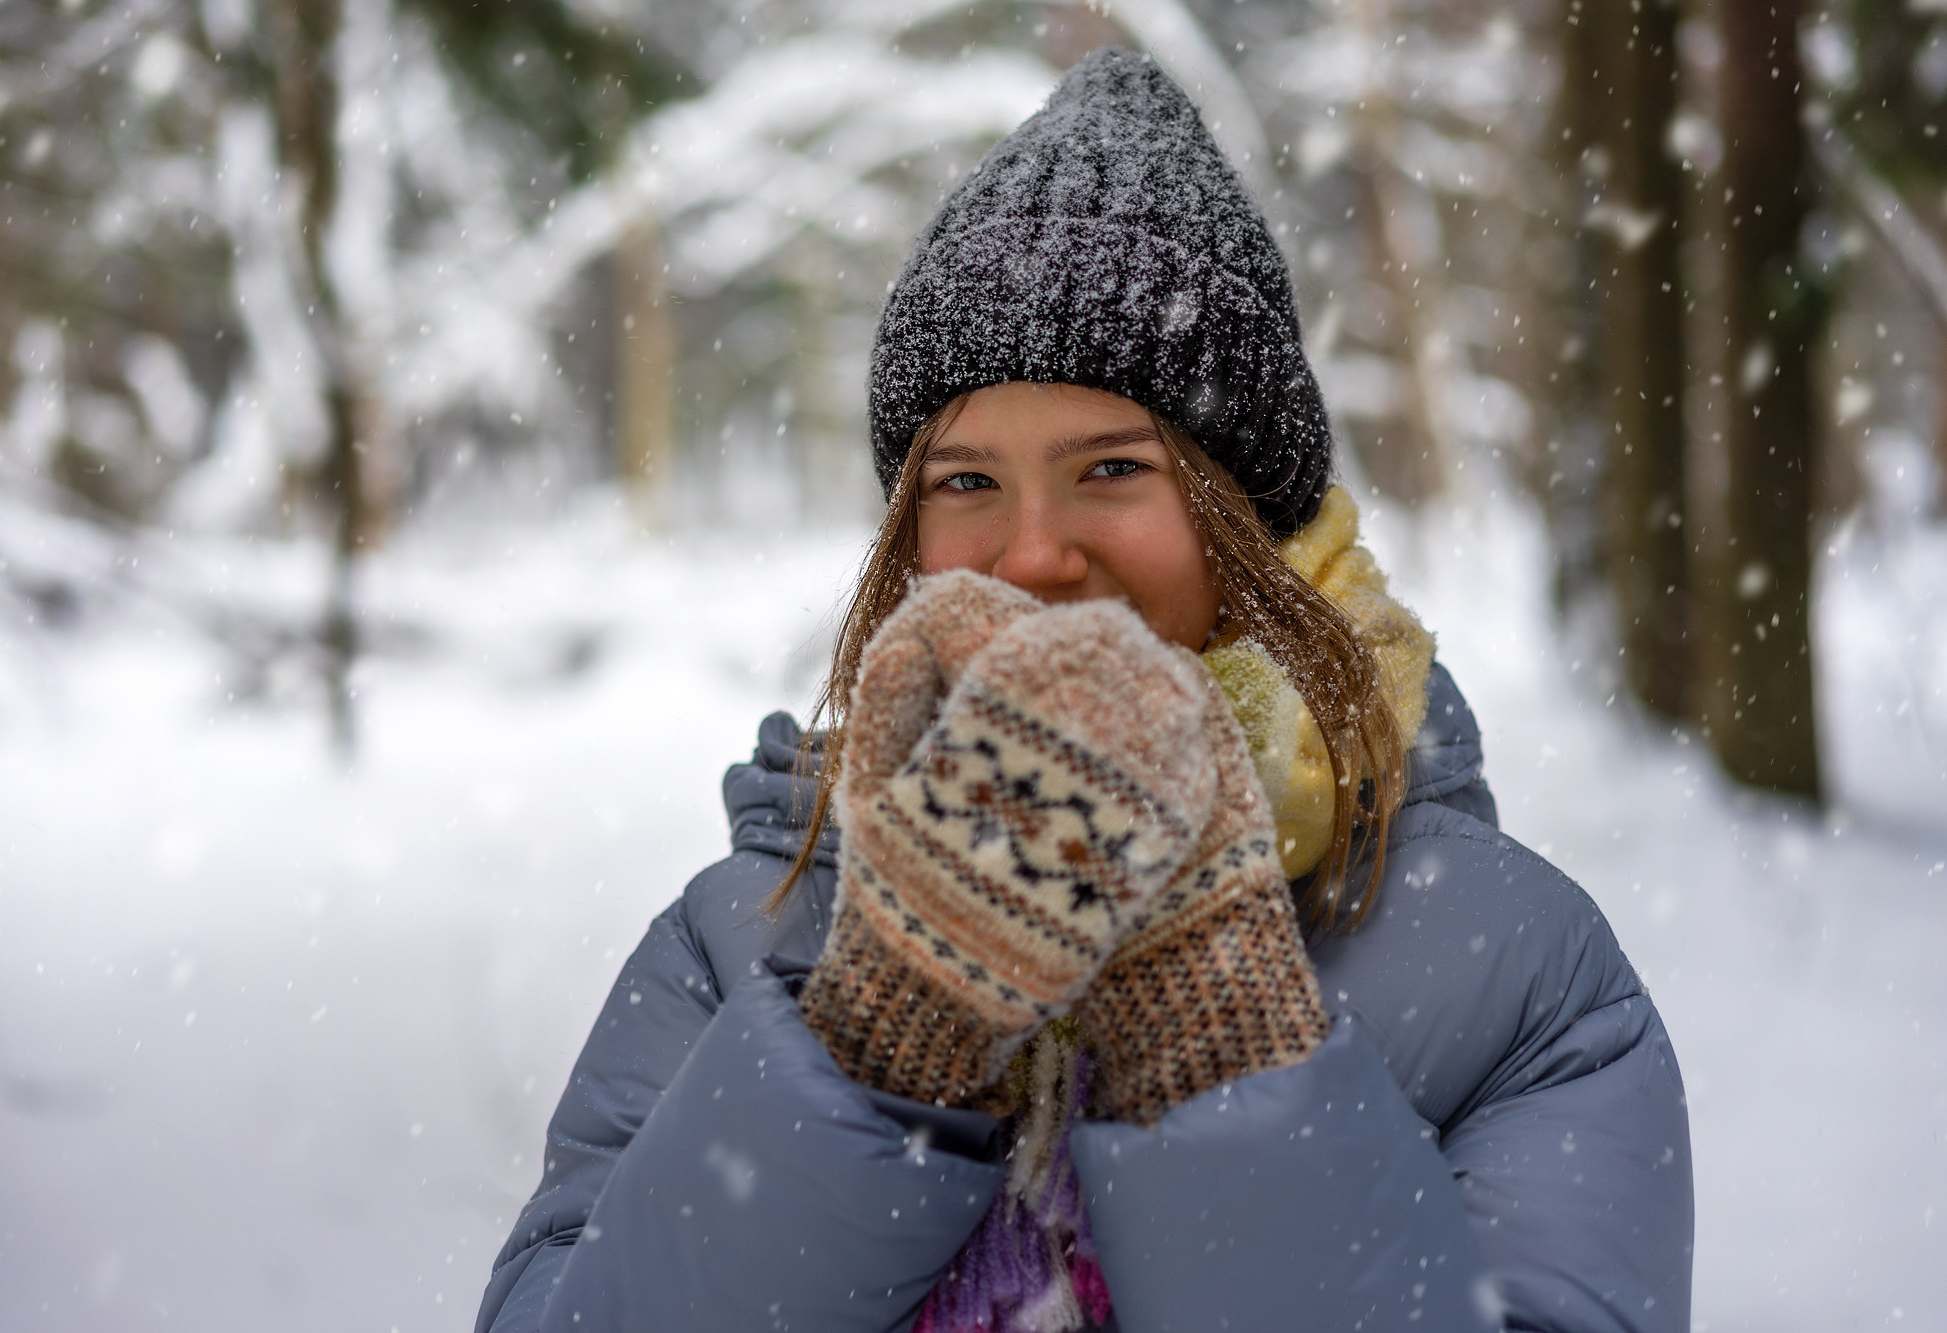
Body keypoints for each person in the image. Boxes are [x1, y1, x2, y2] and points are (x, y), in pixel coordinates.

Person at [475, 49, 1694, 1333]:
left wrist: (1208, 1015)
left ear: (1248, 519)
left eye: (1111, 467)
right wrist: (884, 1041)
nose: (1033, 551)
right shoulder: (745, 939)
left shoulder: (1515, 980)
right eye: (964, 481)